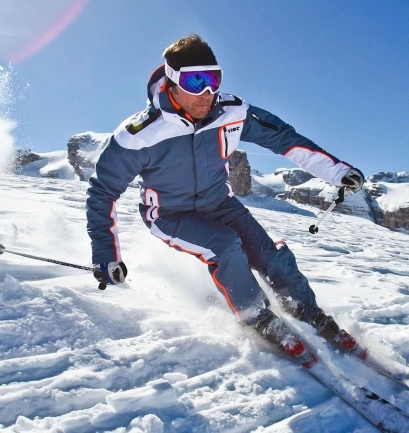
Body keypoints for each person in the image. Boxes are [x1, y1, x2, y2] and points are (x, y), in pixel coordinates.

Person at [85, 34, 366, 356]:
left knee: (270, 255)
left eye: (214, 79)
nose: (207, 93)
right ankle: (256, 316)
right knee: (226, 246)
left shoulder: (231, 113)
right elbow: (102, 192)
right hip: (171, 215)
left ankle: (308, 312)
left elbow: (285, 139)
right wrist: (105, 254)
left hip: (221, 203)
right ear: (172, 81)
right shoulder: (140, 134)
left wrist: (337, 172)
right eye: (196, 82)